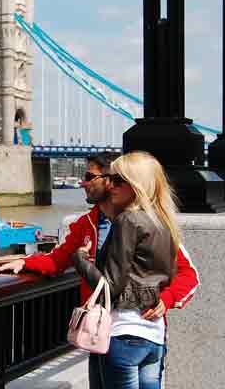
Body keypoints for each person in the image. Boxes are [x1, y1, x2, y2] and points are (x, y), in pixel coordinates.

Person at [0, 152, 199, 388]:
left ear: (111, 180)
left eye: (91, 176)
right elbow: (58, 259)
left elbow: (189, 274)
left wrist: (169, 297)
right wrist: (26, 263)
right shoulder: (86, 224)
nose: (83, 182)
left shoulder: (142, 222)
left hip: (127, 332)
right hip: (104, 332)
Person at [73, 151, 180, 389]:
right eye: (111, 178)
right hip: (154, 337)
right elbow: (169, 277)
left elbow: (110, 287)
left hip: (124, 332)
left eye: (119, 180)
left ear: (137, 184)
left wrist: (81, 259)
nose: (112, 185)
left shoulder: (128, 221)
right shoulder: (164, 222)